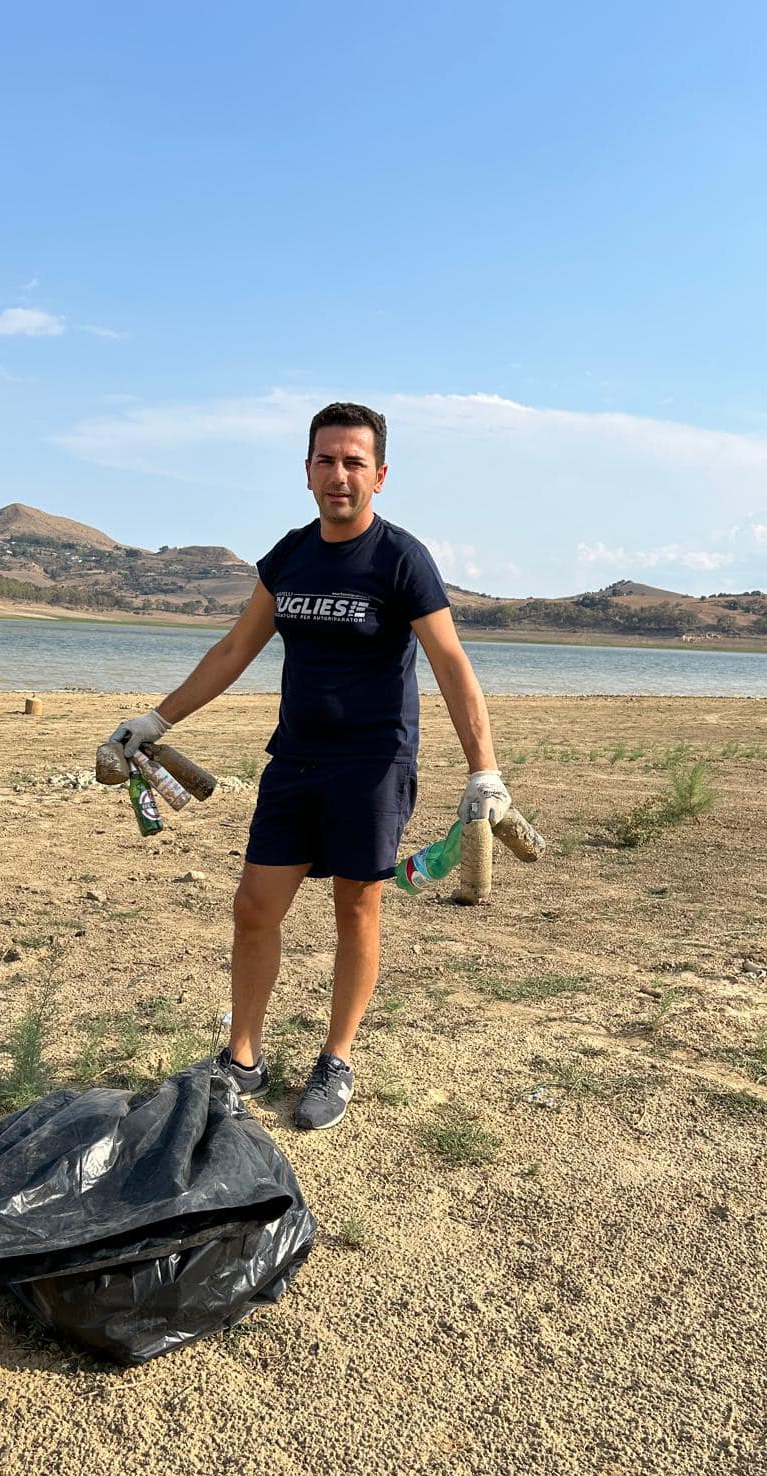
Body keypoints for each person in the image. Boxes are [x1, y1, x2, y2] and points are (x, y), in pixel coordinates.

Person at [110, 401, 509, 1131]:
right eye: (326, 460)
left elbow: (451, 663)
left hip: (373, 763)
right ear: (307, 472)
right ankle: (243, 1060)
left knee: (357, 909)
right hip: (294, 760)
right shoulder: (290, 555)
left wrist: (484, 768)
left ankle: (337, 1058)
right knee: (254, 907)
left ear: (379, 476)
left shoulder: (400, 558)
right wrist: (158, 719)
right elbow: (235, 650)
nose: (339, 475)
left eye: (354, 462)